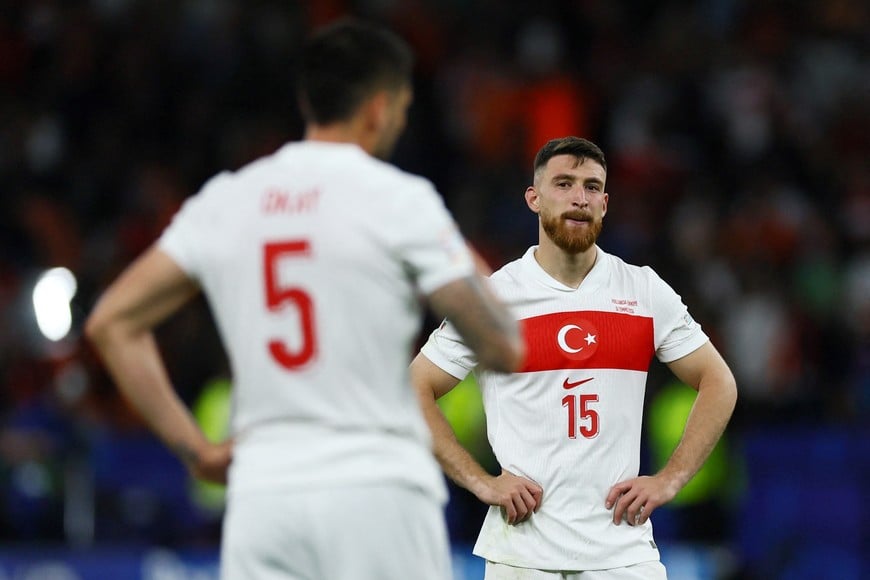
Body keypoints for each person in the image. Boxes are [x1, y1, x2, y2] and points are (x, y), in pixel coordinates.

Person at [85, 18, 524, 580]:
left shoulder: (229, 200)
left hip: (264, 497)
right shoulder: (398, 201)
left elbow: (112, 323)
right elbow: (502, 345)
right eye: (403, 105)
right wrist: (457, 252)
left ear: (308, 99)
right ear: (379, 107)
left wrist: (196, 451)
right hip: (375, 492)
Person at [412, 136, 738, 579]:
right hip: (521, 555)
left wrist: (670, 478)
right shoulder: (493, 300)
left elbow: (719, 382)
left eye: (591, 186)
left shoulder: (642, 290)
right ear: (533, 197)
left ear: (605, 203)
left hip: (623, 554)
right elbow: (414, 389)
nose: (579, 198)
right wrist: (480, 481)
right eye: (563, 184)